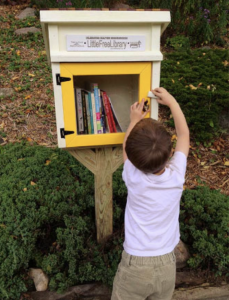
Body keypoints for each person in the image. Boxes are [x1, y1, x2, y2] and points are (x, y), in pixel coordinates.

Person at [111, 87, 190, 300]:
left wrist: (135, 119)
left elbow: (126, 147)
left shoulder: (134, 178)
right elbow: (184, 134)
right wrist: (172, 103)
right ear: (170, 153)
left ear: (136, 163)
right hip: (166, 264)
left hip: (135, 266)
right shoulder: (176, 176)